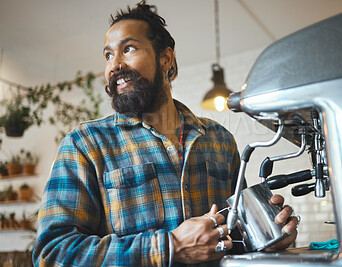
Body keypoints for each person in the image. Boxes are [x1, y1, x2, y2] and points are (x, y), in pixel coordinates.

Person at [32, 1, 298, 266]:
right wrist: (171, 246)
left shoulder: (220, 140)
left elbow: (232, 235)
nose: (115, 65)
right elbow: (51, 254)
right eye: (108, 55)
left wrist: (268, 235)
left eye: (128, 48)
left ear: (166, 58)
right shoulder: (85, 145)